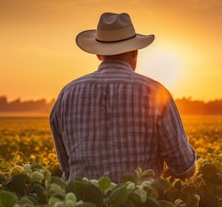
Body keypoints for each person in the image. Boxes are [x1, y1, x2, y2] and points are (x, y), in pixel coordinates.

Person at [49, 12, 197, 182]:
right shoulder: (155, 92)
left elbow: (67, 169)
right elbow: (183, 167)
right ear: (135, 52)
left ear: (98, 54)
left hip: (83, 205)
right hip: (141, 206)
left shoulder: (67, 94)